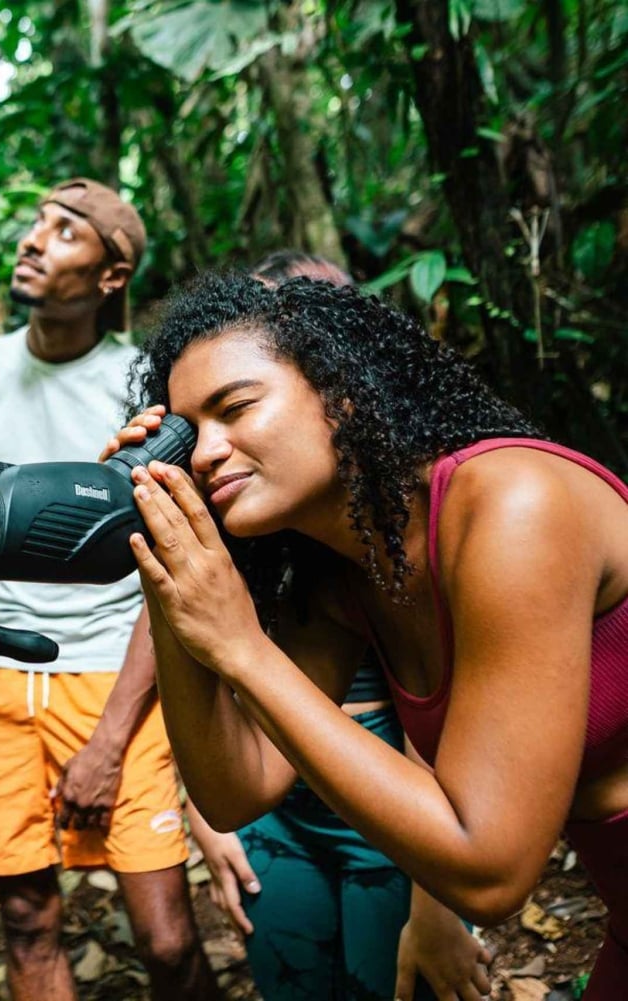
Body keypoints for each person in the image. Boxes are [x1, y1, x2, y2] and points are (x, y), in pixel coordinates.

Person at [105, 271, 628, 1001]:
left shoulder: (512, 505)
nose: (204, 454)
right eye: (190, 435)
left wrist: (243, 648)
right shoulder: (347, 570)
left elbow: (492, 871)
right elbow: (234, 789)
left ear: (344, 389)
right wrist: (162, 553)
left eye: (237, 407)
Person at [0, 178, 220, 1001]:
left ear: (110, 277)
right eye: (36, 224)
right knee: (27, 922)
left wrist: (111, 739)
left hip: (113, 674)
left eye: (65, 231)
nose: (34, 239)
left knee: (165, 936)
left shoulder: (145, 386)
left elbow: (166, 569)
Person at [181, 252, 488, 1001]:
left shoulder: (462, 508)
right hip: (281, 786)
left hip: (392, 778)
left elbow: (440, 719)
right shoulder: (291, 544)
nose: (210, 446)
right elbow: (209, 672)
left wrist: (436, 902)